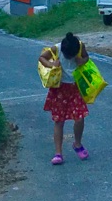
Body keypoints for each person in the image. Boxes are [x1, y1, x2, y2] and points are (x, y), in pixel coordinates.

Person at [38, 32, 91, 165]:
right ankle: (58, 153)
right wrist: (52, 65)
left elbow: (86, 57)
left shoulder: (80, 46)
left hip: (75, 88)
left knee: (79, 118)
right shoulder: (56, 48)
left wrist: (82, 61)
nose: (68, 58)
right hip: (59, 88)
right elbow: (42, 58)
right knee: (59, 121)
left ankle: (77, 144)